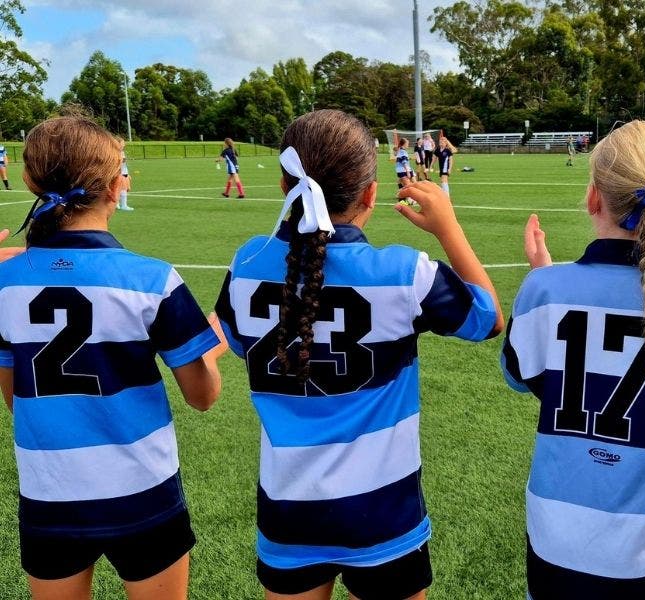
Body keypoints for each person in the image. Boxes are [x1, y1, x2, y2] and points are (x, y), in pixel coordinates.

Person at [215, 109, 504, 600]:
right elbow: (488, 319)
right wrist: (448, 229)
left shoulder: (247, 263)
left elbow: (241, 342)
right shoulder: (404, 272)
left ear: (285, 183)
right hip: (383, 508)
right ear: (371, 193)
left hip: (289, 506)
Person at [501, 120, 645, 600]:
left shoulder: (543, 291)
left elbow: (521, 375)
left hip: (557, 543)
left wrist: (545, 278)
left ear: (593, 198)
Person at [0, 115, 228, 600]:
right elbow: (203, 397)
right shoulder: (151, 278)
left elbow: (15, 398)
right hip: (141, 490)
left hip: (50, 494)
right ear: (113, 185)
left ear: (29, 180)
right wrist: (215, 347)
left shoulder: (5, 283)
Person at [116, 136, 134, 211]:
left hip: (124, 173)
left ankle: (117, 204)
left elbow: (124, 164)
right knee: (122, 189)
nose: (124, 144)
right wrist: (124, 160)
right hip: (119, 174)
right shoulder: (116, 152)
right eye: (122, 143)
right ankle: (123, 205)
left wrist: (128, 174)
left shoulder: (122, 152)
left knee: (123, 189)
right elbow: (118, 162)